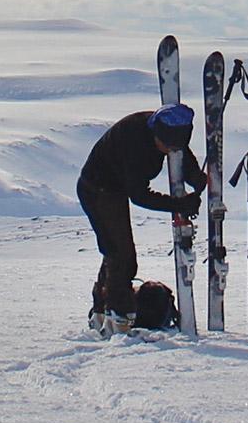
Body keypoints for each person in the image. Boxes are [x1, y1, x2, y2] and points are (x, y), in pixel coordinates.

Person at [77, 103, 206, 336]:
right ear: (157, 135)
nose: (168, 151)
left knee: (116, 252)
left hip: (114, 190)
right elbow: (139, 195)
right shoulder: (135, 142)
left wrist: (195, 177)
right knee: (121, 254)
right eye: (165, 146)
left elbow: (181, 153)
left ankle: (102, 310)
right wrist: (178, 204)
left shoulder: (169, 127)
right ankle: (119, 315)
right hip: (97, 189)